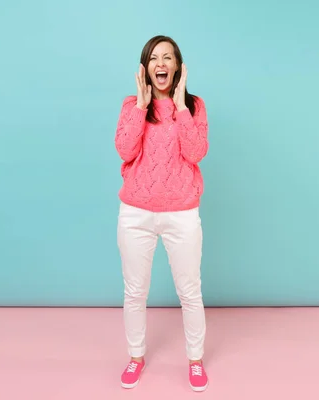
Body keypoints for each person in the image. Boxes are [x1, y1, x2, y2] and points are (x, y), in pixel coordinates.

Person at [114, 35, 210, 392]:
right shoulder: (131, 105)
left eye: (168, 57)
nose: (161, 63)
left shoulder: (195, 106)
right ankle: (136, 356)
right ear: (146, 67)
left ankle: (196, 360)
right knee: (135, 292)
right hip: (135, 212)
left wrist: (182, 105)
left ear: (177, 66)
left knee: (190, 291)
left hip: (181, 213)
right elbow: (124, 150)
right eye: (154, 57)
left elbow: (196, 151)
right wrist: (141, 106)